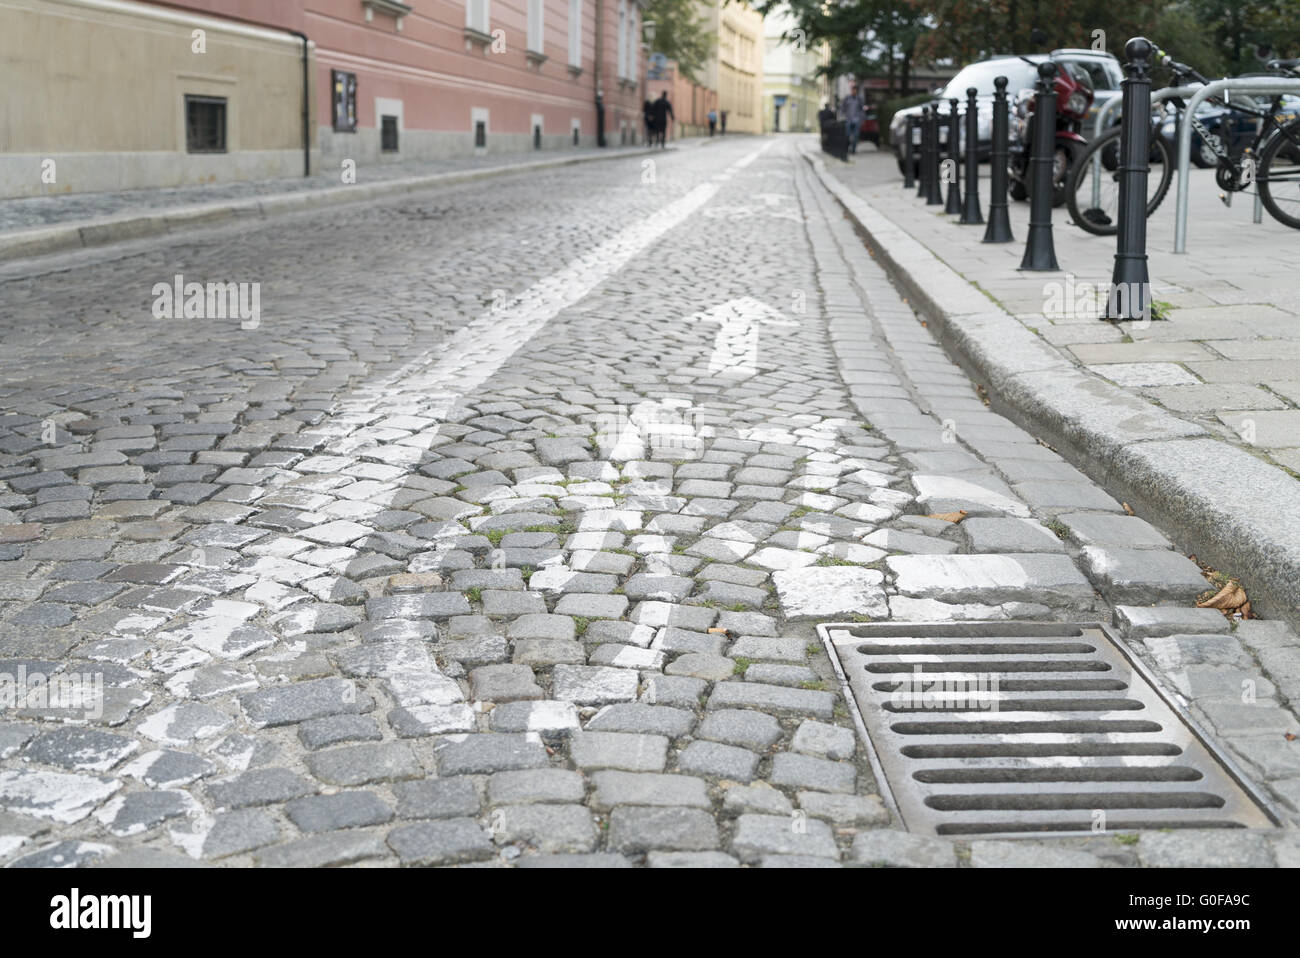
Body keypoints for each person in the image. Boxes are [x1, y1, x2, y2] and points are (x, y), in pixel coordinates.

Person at [840, 81, 864, 155]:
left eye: (855, 90)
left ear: (856, 91)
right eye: (853, 90)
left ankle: (853, 150)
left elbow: (861, 109)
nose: (854, 91)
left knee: (856, 136)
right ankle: (847, 148)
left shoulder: (859, 99)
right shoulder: (847, 98)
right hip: (848, 119)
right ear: (851, 90)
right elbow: (843, 108)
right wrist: (842, 116)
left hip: (856, 120)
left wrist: (861, 118)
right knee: (847, 135)